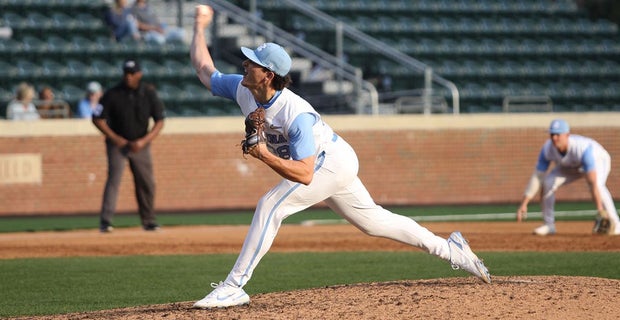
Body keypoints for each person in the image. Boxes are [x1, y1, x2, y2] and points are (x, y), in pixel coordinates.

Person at [189, 5, 491, 309]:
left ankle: (233, 286)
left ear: (268, 75)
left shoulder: (296, 115)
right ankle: (453, 250)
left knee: (270, 205)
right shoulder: (242, 89)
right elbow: (204, 70)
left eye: (252, 61)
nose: (245, 63)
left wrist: (264, 154)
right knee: (374, 223)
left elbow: (306, 175)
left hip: (330, 162)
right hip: (332, 159)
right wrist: (199, 26)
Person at [92, 59, 165, 233]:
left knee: (147, 182)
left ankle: (148, 221)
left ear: (139, 74)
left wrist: (144, 141)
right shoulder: (112, 93)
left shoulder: (148, 93)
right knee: (113, 181)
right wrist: (115, 138)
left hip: (141, 144)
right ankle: (106, 221)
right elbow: (97, 118)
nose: (128, 76)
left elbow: (160, 121)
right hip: (117, 145)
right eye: (126, 73)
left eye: (132, 73)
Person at [517, 119, 619, 236]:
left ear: (567, 135)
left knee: (599, 186)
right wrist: (524, 204)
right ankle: (548, 225)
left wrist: (600, 210)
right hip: (570, 165)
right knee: (548, 182)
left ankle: (617, 225)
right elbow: (537, 177)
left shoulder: (583, 149)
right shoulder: (547, 148)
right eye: (552, 134)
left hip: (598, 160)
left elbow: (592, 183)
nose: (554, 138)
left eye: (558, 134)